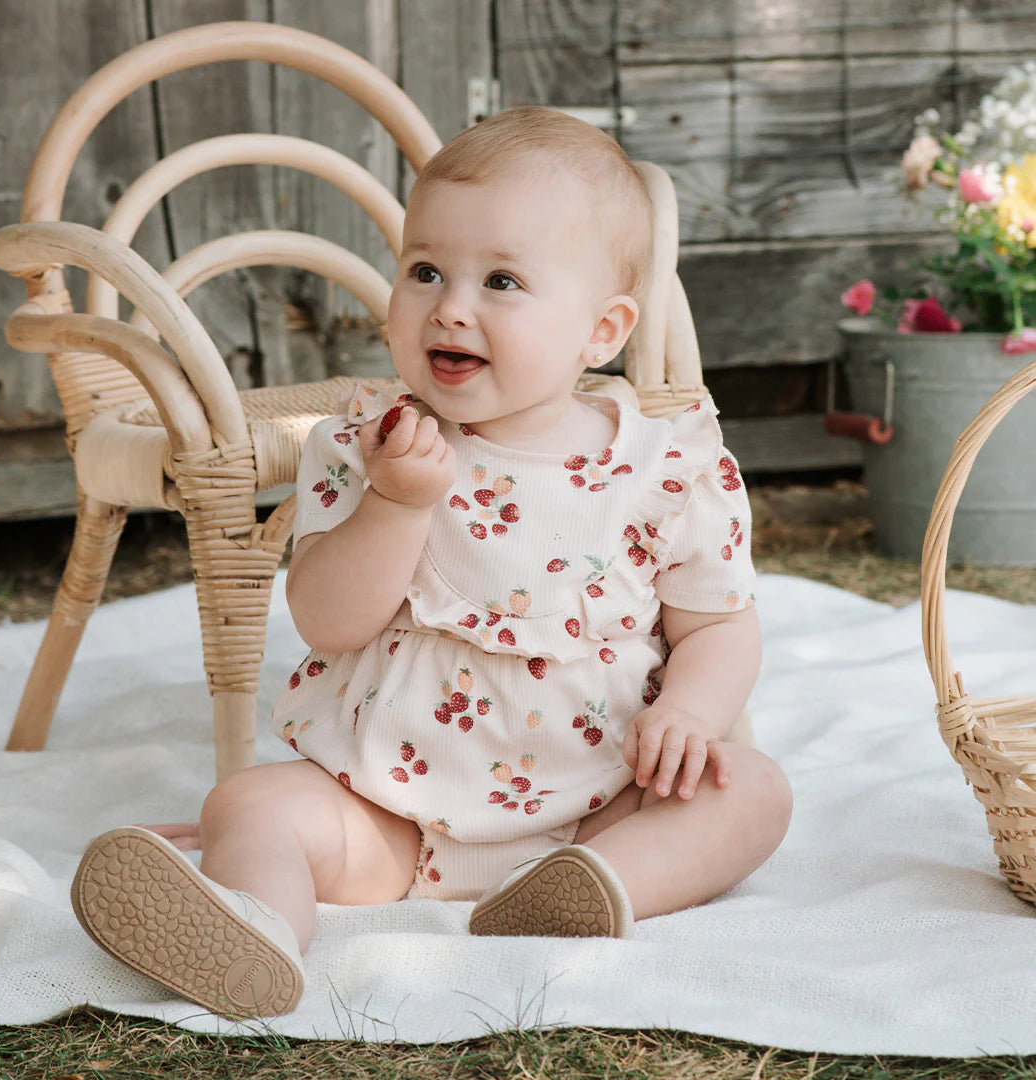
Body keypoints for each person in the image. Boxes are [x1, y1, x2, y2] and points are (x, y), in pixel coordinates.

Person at [71, 106, 792, 1020]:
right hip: (390, 811)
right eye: (425, 271)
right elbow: (330, 621)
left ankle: (587, 892)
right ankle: (250, 928)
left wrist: (692, 711)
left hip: (601, 797)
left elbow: (719, 623)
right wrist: (398, 501)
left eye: (501, 280)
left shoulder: (667, 464)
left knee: (752, 793)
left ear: (601, 332)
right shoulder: (371, 443)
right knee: (249, 804)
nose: (450, 305)